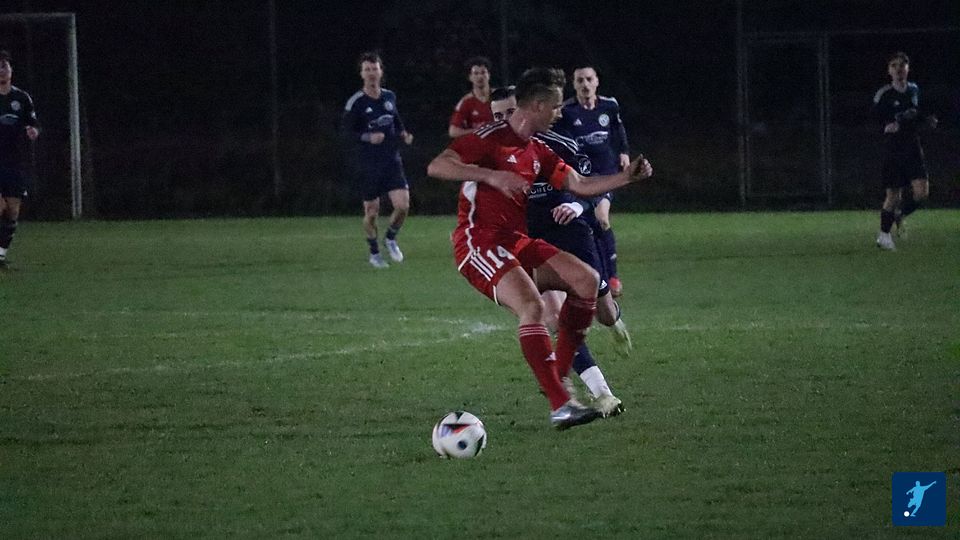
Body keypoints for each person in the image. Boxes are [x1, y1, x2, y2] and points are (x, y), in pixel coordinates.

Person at [427, 68, 652, 429]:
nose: (559, 113)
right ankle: (561, 403)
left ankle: (556, 377)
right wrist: (491, 175)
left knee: (586, 281)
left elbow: (577, 183)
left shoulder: (537, 149)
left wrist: (625, 177)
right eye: (556, 106)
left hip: (517, 241)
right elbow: (438, 166)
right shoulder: (490, 137)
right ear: (536, 105)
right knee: (532, 306)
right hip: (479, 241)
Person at [489, 86, 632, 417]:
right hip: (529, 240)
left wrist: (574, 205)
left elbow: (590, 187)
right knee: (554, 317)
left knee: (603, 312)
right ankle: (604, 395)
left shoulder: (559, 145)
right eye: (497, 116)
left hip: (570, 235)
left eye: (509, 112)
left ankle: (615, 321)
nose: (504, 121)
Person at [553, 65, 630, 296]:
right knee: (585, 227)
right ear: (574, 84)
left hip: (605, 174)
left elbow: (618, 129)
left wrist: (624, 152)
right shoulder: (566, 111)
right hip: (580, 177)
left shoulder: (609, 105)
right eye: (580, 80)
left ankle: (612, 278)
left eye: (589, 79)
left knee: (601, 218)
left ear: (596, 81)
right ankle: (593, 276)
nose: (585, 84)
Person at [341, 52, 414, 268]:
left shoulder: (389, 97)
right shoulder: (356, 102)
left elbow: (396, 121)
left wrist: (403, 133)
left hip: (391, 161)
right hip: (368, 165)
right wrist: (367, 137)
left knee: (403, 206)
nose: (371, 73)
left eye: (375, 69)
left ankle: (390, 238)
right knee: (371, 213)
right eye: (367, 69)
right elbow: (345, 133)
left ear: (381, 72)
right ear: (361, 74)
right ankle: (374, 253)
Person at [873, 51, 937, 251]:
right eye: (894, 65)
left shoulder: (914, 89)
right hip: (894, 148)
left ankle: (900, 215)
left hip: (912, 146)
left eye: (902, 65)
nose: (899, 69)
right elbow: (873, 118)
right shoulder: (884, 94)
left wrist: (927, 120)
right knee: (893, 195)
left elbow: (917, 112)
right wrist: (886, 126)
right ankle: (884, 236)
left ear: (908, 69)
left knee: (922, 193)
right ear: (889, 70)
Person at [0, 50, 39, 269]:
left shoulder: (22, 98)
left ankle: (0, 255)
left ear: (11, 70)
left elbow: (33, 124)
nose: (1, 71)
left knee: (13, 211)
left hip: (14, 162)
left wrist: (33, 131)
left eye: (4, 66)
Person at [448, 56, 494, 138]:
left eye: (483, 72)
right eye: (476, 73)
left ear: (489, 75)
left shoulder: (500, 97)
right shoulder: (466, 101)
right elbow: (453, 132)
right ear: (470, 77)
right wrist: (479, 131)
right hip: (478, 144)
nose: (480, 76)